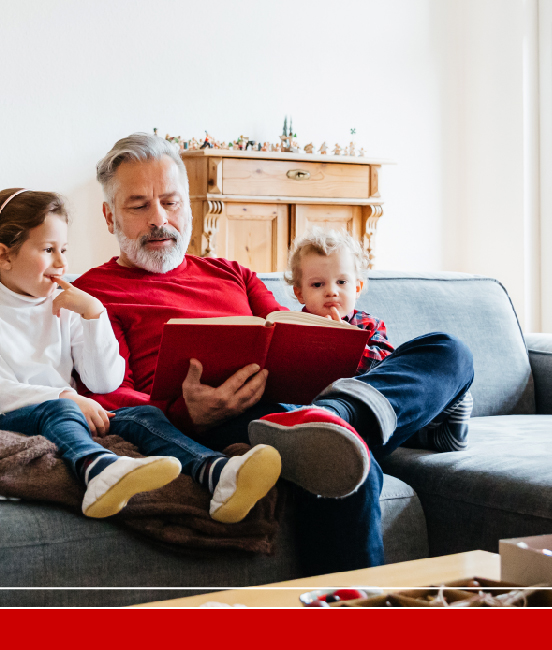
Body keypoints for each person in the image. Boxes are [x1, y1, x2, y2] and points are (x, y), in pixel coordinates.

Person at [72, 133, 474, 574]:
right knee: (345, 463)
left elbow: (289, 332)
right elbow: (111, 396)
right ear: (110, 216)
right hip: (231, 425)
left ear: (188, 205)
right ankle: (345, 424)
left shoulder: (233, 274)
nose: (159, 219)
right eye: (139, 206)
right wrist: (188, 415)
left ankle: (339, 414)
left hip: (303, 405)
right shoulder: (91, 296)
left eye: (170, 202)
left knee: (448, 350)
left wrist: (327, 342)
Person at [0, 188, 282, 523]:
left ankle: (216, 472)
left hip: (66, 415)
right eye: (48, 250)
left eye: (63, 249)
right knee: (62, 409)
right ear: (4, 256)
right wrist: (66, 396)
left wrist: (95, 316)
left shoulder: (65, 307)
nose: (62, 263)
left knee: (142, 416)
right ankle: (98, 470)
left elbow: (103, 380)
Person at [285, 227, 472, 452]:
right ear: (300, 293)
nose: (331, 291)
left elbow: (387, 367)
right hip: (309, 408)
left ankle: (434, 430)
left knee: (448, 348)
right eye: (318, 284)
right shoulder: (291, 327)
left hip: (368, 403)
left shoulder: (368, 324)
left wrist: (349, 343)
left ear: (357, 288)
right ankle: (326, 420)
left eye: (342, 282)